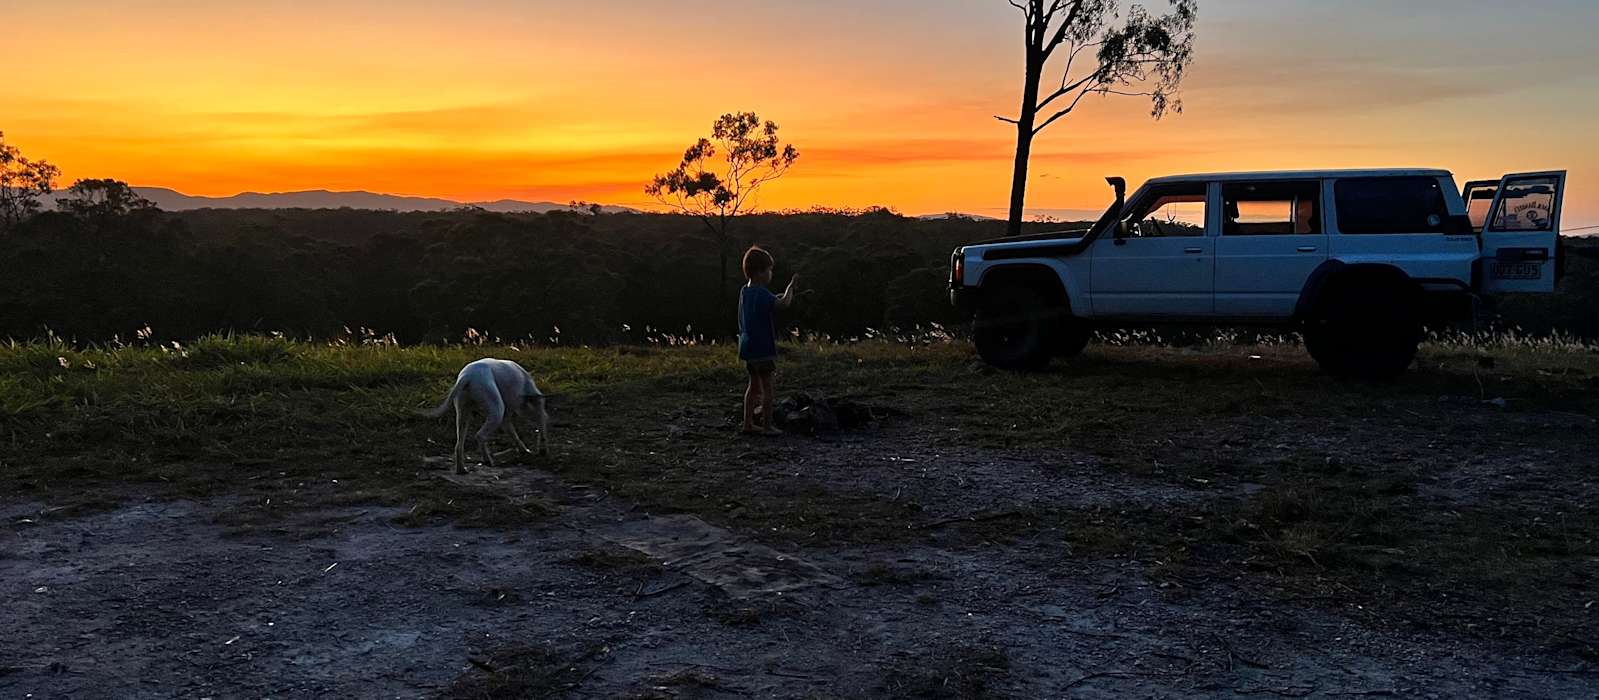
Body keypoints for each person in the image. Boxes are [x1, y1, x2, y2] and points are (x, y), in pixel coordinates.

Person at [738, 246, 800, 436]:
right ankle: (767, 426)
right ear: (760, 272)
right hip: (763, 348)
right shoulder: (762, 293)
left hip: (748, 347)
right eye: (769, 270)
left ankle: (747, 423)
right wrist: (790, 288)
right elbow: (783, 304)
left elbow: (768, 303)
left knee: (752, 386)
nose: (771, 274)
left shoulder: (744, 292)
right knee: (767, 388)